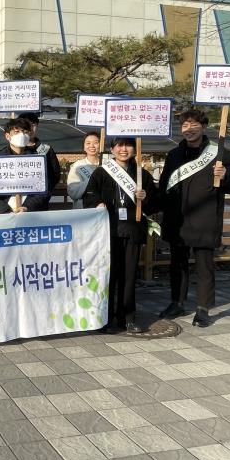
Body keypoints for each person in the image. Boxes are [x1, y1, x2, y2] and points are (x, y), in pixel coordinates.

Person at [158, 109, 230, 327]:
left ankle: (203, 308)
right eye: (185, 125)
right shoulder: (174, 154)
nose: (189, 129)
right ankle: (177, 302)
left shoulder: (219, 153)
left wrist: (224, 177)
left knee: (204, 266)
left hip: (205, 218)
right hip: (178, 219)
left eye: (193, 125)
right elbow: (165, 185)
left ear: (203, 127)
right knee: (177, 264)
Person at [83, 137, 157, 333]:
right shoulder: (102, 171)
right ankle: (104, 318)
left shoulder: (142, 175)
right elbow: (89, 194)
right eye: (119, 145)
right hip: (108, 231)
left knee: (129, 276)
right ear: (112, 149)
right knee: (108, 276)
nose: (124, 149)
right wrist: (97, 202)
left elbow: (155, 204)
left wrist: (145, 198)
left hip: (132, 230)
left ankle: (128, 318)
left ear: (135, 148)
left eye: (128, 145)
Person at [0, 118, 52, 215]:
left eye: (25, 132)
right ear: (8, 136)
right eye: (17, 132)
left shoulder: (38, 160)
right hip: (3, 215)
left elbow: (44, 190)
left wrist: (27, 207)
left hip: (31, 214)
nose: (22, 135)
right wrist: (5, 211)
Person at [17, 111, 61, 209]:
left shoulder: (46, 149)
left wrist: (43, 192)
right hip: (15, 202)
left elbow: (55, 175)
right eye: (26, 125)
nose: (30, 129)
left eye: (33, 125)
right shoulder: (12, 150)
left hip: (39, 202)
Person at [67, 131, 101, 208]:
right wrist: (94, 180)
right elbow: (73, 192)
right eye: (88, 143)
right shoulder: (77, 166)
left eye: (96, 142)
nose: (92, 146)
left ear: (101, 146)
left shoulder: (108, 165)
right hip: (83, 210)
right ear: (84, 147)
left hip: (103, 209)